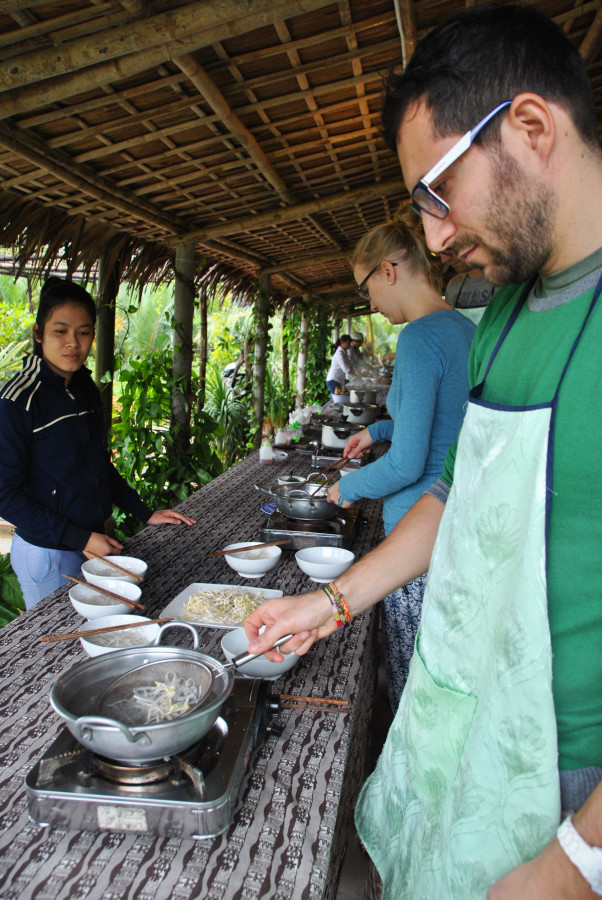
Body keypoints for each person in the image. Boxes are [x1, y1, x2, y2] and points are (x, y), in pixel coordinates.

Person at [245, 5, 602, 898]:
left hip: (571, 778)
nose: (436, 237)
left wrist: (577, 861)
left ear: (529, 126)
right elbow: (457, 494)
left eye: (439, 193)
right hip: (471, 725)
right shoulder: (505, 319)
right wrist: (329, 602)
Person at [328, 218, 475, 709]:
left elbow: (409, 464)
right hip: (453, 529)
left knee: (413, 693)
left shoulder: (418, 338)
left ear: (387, 271)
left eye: (365, 287)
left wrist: (345, 491)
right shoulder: (460, 328)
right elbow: (444, 426)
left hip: (417, 539)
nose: (369, 303)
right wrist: (378, 430)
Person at [0, 277, 196, 609]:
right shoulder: (17, 400)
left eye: (84, 332)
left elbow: (97, 465)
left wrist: (144, 512)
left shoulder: (85, 389)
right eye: (60, 331)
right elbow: (5, 495)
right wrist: (80, 538)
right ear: (38, 333)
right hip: (46, 551)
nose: (72, 343)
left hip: (91, 539)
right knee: (53, 650)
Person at [442, 253, 496, 325]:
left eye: (449, 249)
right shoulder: (454, 284)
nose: (444, 260)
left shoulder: (505, 282)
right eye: (441, 253)